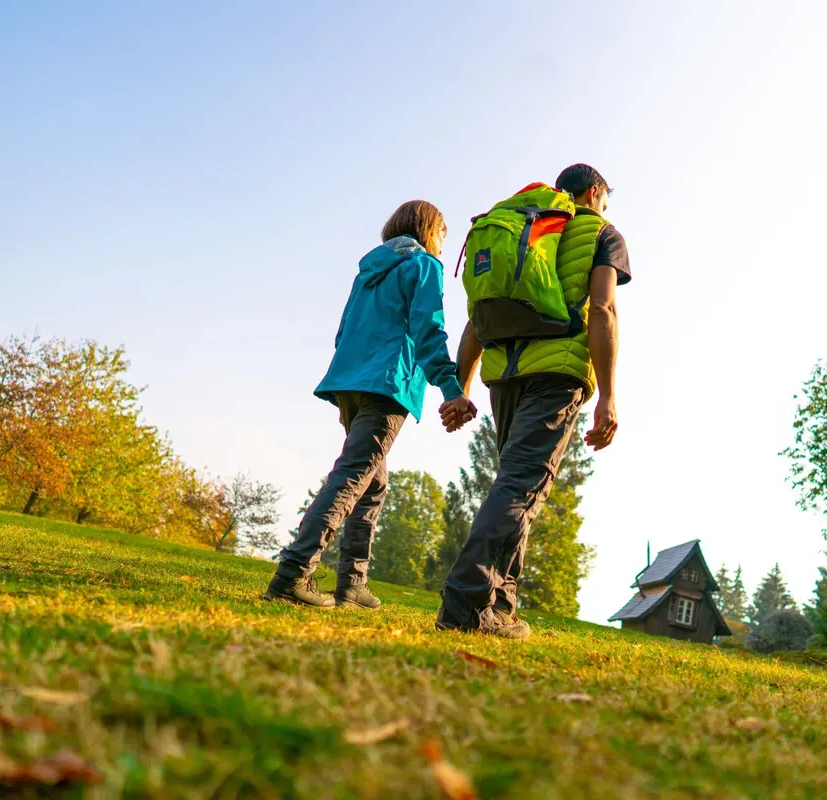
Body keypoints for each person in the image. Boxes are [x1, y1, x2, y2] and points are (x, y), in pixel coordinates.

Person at [435, 164, 631, 639]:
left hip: (503, 376)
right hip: (558, 373)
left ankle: (500, 607)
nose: (606, 207)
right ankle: (463, 607)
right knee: (521, 489)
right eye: (606, 199)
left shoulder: (517, 224)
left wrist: (461, 389)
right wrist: (607, 395)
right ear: (595, 192)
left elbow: (477, 318)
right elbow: (602, 310)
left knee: (515, 487)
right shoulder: (601, 232)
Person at [267, 200, 477, 609]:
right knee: (351, 478)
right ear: (428, 230)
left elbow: (343, 330)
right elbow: (428, 330)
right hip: (387, 384)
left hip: (350, 382)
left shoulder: (368, 272)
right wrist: (452, 389)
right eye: (442, 236)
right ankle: (293, 573)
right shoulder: (424, 267)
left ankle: (352, 584)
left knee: (373, 483)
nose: (442, 247)